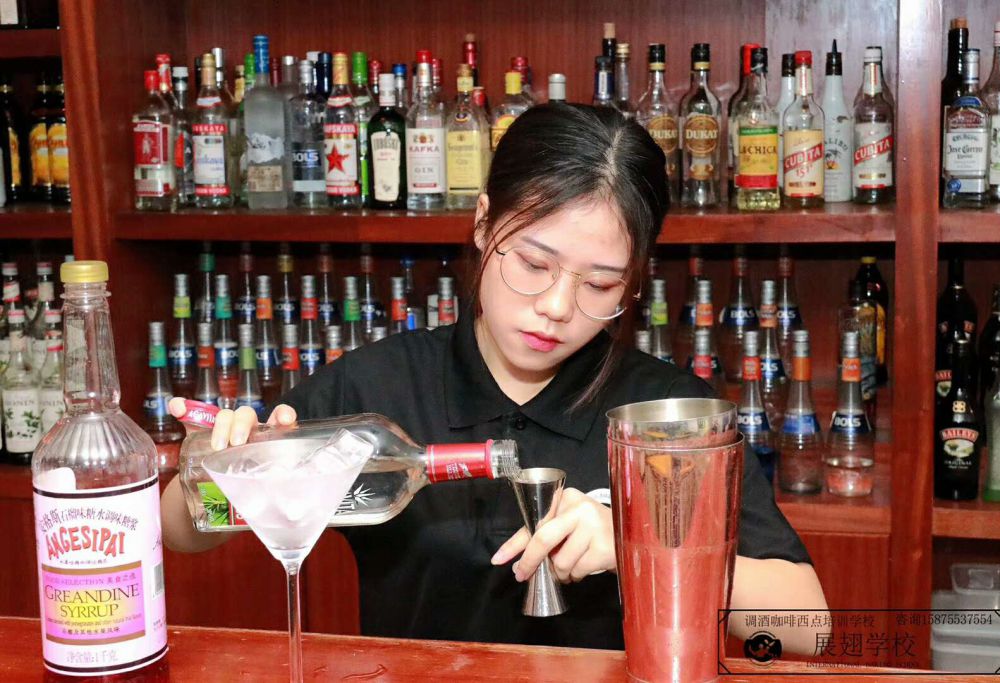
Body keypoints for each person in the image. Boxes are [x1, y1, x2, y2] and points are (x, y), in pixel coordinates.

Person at [161, 104, 828, 653]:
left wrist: (641, 548)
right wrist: (216, 465)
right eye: (534, 264)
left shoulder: (667, 413)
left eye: (600, 285)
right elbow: (185, 530)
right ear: (483, 224)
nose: (558, 307)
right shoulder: (377, 388)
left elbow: (808, 627)